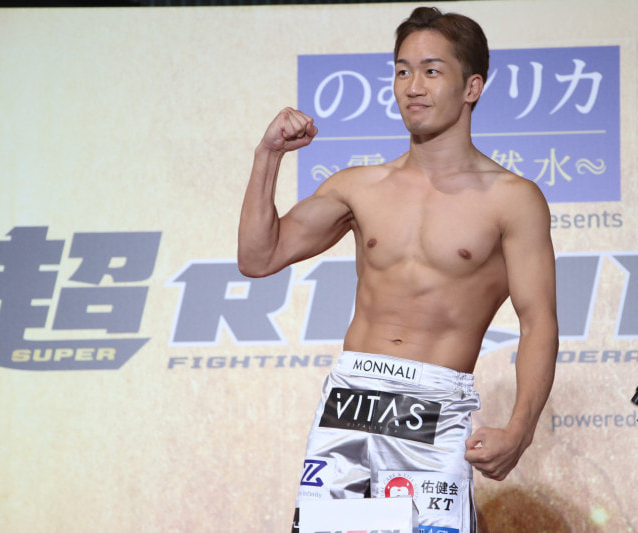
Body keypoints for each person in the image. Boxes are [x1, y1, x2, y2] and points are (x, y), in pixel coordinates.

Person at [238, 7, 558, 532]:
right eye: (402, 70)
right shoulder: (358, 187)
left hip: (434, 403)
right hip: (349, 400)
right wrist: (267, 156)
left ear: (471, 87)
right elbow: (258, 257)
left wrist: (520, 429)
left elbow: (538, 321)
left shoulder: (512, 199)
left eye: (431, 71)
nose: (412, 86)